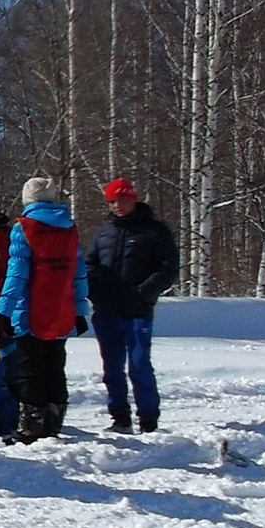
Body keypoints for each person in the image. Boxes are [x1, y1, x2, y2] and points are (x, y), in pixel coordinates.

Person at [0, 177, 89, 444]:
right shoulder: (70, 229)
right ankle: (53, 423)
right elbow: (78, 274)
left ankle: (31, 427)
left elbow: (17, 275)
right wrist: (80, 311)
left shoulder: (24, 228)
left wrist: (3, 311)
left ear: (28, 200)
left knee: (30, 370)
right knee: (55, 366)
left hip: (29, 313)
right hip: (61, 311)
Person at [86, 177, 179, 434]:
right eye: (112, 201)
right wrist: (94, 291)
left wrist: (143, 293)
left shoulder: (154, 231)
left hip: (137, 311)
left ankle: (148, 419)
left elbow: (168, 268)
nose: (118, 205)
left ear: (133, 199)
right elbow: (89, 265)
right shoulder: (105, 231)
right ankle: (119, 417)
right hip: (106, 310)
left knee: (139, 365)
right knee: (112, 367)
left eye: (122, 200)